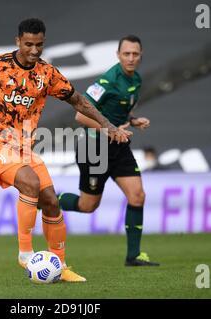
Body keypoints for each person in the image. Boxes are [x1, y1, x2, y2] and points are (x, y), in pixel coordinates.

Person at [0, 18, 130, 282]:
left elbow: (78, 101)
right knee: (29, 182)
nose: (34, 50)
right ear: (18, 41)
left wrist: (107, 125)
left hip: (22, 148)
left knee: (51, 201)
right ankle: (25, 253)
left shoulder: (47, 74)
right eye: (28, 44)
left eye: (39, 45)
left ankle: (60, 267)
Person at [58, 35, 160, 267]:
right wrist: (109, 129)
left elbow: (116, 112)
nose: (131, 58)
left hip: (118, 146)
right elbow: (80, 115)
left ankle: (133, 256)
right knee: (88, 206)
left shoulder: (136, 80)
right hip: (93, 148)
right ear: (118, 55)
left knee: (137, 195)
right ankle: (50, 200)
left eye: (135, 54)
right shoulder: (106, 82)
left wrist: (133, 121)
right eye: (126, 54)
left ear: (141, 55)